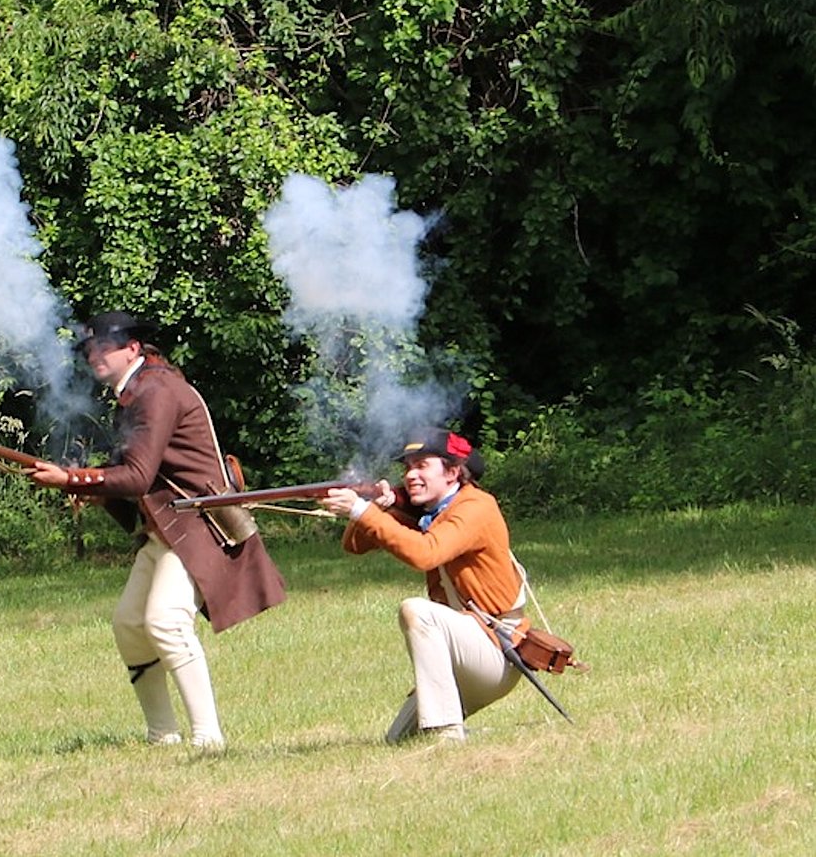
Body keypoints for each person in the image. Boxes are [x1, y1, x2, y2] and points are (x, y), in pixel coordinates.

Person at [28, 311, 286, 750]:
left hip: (198, 523)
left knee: (164, 622)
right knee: (130, 625)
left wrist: (73, 479)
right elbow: (132, 473)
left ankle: (208, 737)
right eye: (91, 348)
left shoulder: (155, 391)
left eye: (105, 346)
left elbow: (138, 477)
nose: (95, 354)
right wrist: (92, 485)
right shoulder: (138, 390)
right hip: (167, 525)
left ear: (132, 348)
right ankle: (162, 734)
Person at [317, 427, 525, 744]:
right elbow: (355, 545)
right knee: (398, 741)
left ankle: (448, 734)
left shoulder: (475, 506)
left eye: (422, 465)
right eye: (408, 467)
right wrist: (380, 505)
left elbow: (426, 554)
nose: (411, 475)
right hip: (467, 646)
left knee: (417, 611)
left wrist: (362, 510)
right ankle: (450, 727)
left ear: (453, 472)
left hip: (497, 646)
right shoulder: (429, 512)